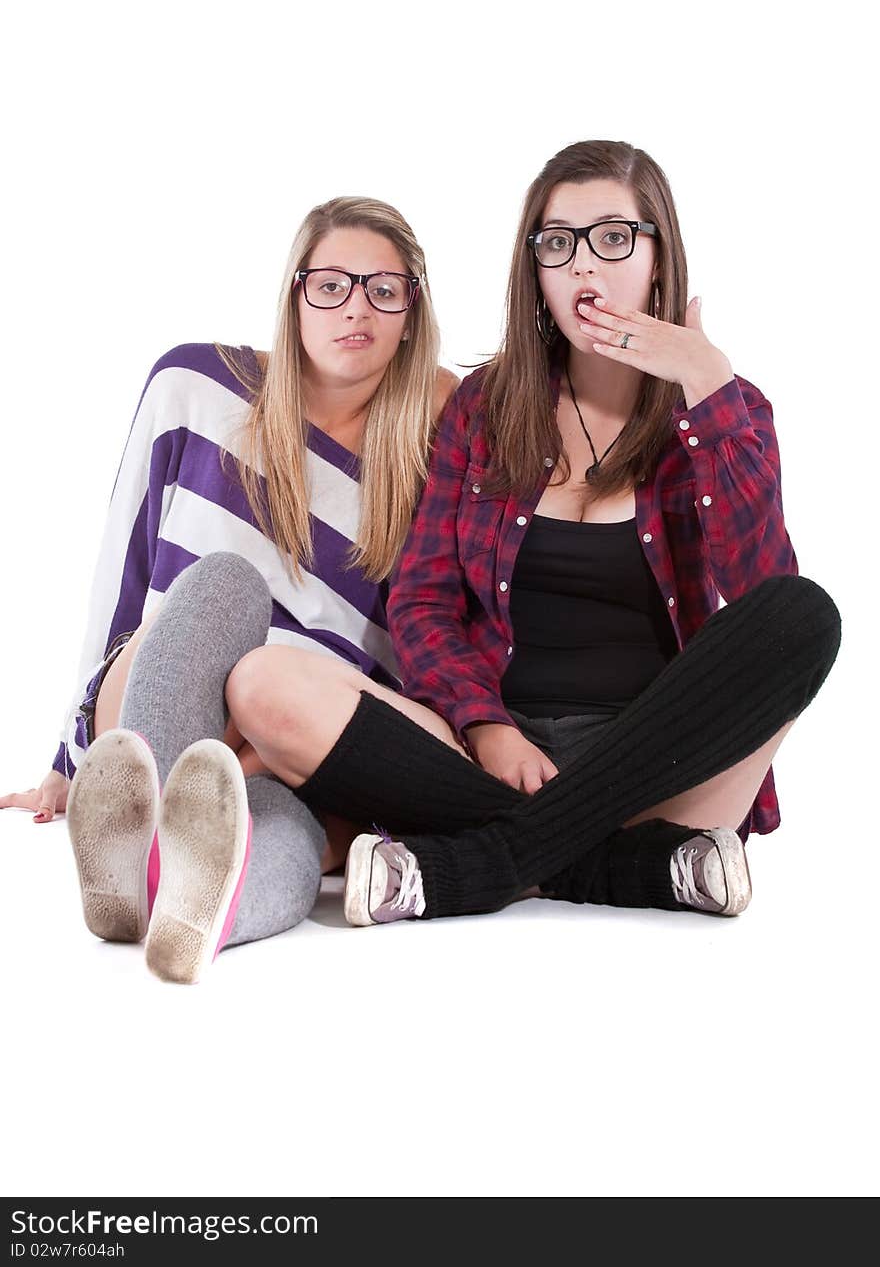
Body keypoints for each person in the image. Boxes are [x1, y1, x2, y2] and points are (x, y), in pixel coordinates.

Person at [214, 140, 841, 926]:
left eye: (614, 238)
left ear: (659, 255)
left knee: (805, 615)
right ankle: (629, 871)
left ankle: (480, 866)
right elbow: (423, 599)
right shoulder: (483, 406)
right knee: (265, 683)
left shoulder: (726, 407)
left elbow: (760, 594)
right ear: (535, 272)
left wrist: (704, 384)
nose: (586, 267)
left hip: (659, 771)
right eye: (558, 243)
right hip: (484, 762)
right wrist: (486, 726)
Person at [0, 195, 458, 979]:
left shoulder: (436, 444)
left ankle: (189, 914)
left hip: (287, 732)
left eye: (385, 289)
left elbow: (431, 630)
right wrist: (69, 760)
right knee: (223, 584)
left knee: (289, 834)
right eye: (332, 286)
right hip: (164, 689)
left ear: (412, 311)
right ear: (294, 295)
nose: (358, 309)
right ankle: (146, 821)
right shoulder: (195, 386)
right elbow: (125, 564)